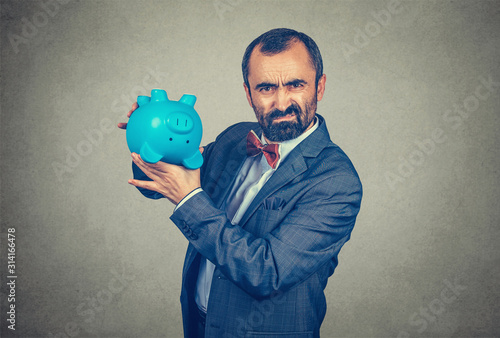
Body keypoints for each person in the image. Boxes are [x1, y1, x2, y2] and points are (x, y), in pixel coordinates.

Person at [119, 28, 362, 338]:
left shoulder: (336, 181)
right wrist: (147, 140)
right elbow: (159, 185)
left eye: (296, 85)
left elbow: (267, 272)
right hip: (200, 324)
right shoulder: (236, 137)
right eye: (266, 88)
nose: (281, 101)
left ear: (320, 86)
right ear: (248, 93)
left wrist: (189, 199)